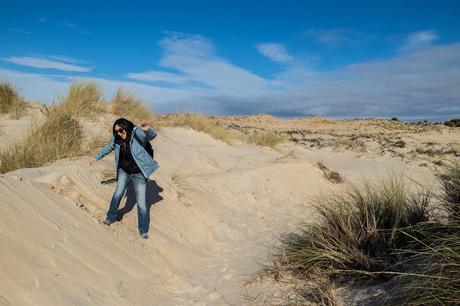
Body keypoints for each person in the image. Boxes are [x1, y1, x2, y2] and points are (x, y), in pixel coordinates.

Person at [90, 118, 159, 239]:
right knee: (118, 193)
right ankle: (110, 217)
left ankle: (143, 229)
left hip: (138, 174)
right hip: (124, 171)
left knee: (142, 203)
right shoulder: (116, 139)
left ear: (126, 127)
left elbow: (151, 136)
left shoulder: (136, 134)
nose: (119, 133)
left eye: (120, 130)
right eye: (116, 131)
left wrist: (148, 130)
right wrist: (96, 157)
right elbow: (108, 148)